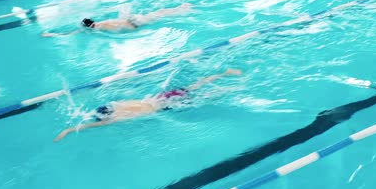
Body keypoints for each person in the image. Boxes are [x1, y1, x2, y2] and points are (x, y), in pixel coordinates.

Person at [54, 68, 242, 142]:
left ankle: (231, 90)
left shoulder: (116, 117)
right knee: (195, 87)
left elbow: (92, 124)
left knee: (207, 97)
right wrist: (68, 130)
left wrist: (69, 131)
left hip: (165, 105)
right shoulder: (117, 105)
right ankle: (224, 74)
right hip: (159, 97)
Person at [42, 3, 193, 36]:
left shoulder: (99, 27)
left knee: (159, 14)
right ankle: (181, 9)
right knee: (159, 13)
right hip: (131, 21)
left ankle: (181, 9)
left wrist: (51, 34)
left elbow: (71, 33)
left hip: (133, 25)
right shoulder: (101, 24)